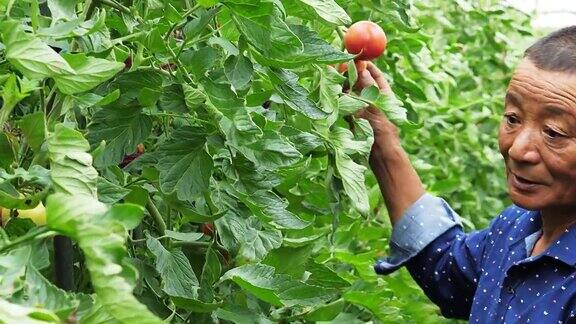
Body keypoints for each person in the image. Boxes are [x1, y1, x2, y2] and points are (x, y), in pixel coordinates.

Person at [356, 26, 576, 323]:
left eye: (553, 132)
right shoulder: (514, 230)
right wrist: (381, 139)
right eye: (513, 118)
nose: (518, 150)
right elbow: (445, 270)